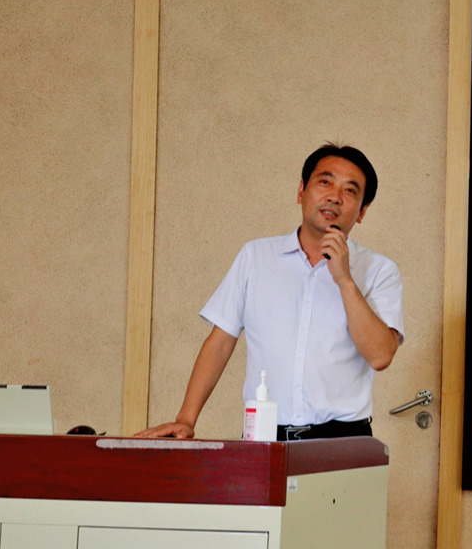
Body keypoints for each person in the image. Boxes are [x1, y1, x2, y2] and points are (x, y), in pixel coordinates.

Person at [136, 144, 404, 441]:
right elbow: (220, 342)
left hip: (344, 439)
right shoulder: (256, 257)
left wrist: (345, 280)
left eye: (350, 191)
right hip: (264, 436)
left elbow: (381, 355)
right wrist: (186, 419)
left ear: (362, 211)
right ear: (301, 191)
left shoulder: (379, 270)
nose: (334, 196)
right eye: (325, 182)